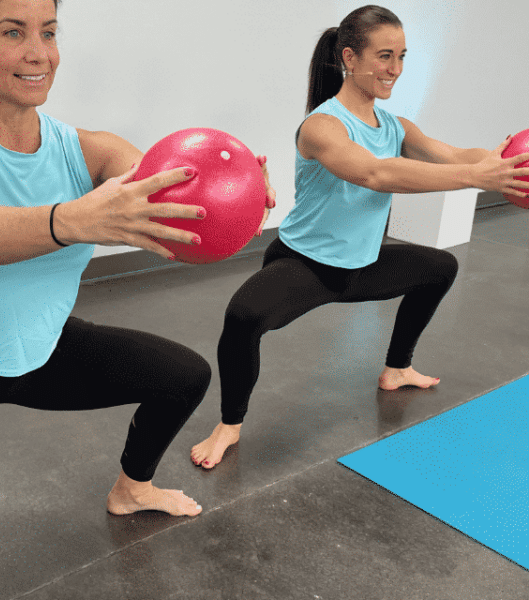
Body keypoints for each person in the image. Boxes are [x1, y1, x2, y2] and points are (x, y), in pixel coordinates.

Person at [0, 0, 274, 517]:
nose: (38, 53)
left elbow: (175, 196)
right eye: (13, 33)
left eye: (48, 32)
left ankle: (132, 489)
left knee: (183, 377)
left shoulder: (85, 150)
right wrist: (72, 221)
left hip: (41, 348)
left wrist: (238, 192)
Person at [191, 4, 529, 470]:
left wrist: (501, 160)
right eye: (385, 56)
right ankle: (229, 424)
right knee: (244, 316)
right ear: (349, 58)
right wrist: (476, 177)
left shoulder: (396, 126)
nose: (396, 69)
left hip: (361, 266)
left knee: (440, 269)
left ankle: (397, 368)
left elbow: (450, 153)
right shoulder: (322, 126)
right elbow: (374, 173)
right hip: (305, 264)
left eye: (403, 56)